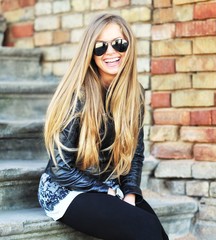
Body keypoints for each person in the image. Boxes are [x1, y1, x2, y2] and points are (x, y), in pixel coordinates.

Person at [38, 13, 169, 240]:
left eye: (118, 43)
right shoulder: (77, 94)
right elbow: (61, 169)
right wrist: (107, 192)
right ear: (91, 53)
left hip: (108, 186)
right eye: (100, 47)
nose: (111, 52)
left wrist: (130, 192)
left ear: (128, 46)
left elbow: (135, 155)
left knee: (156, 232)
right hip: (66, 190)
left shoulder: (133, 93)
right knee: (144, 230)